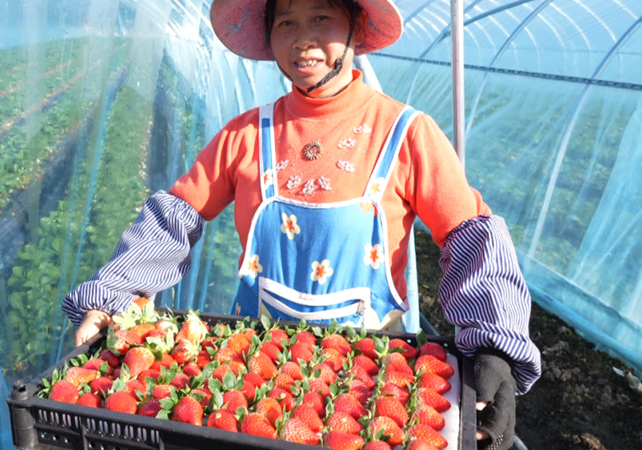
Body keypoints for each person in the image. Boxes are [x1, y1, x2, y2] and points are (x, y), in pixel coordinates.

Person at [63, 0, 541, 448]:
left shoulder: (405, 134)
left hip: (369, 393)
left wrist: (494, 345)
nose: (302, 39)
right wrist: (114, 297)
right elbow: (174, 219)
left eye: (321, 18)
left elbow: (471, 237)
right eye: (285, 22)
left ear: (355, 25)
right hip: (253, 383)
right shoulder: (247, 135)